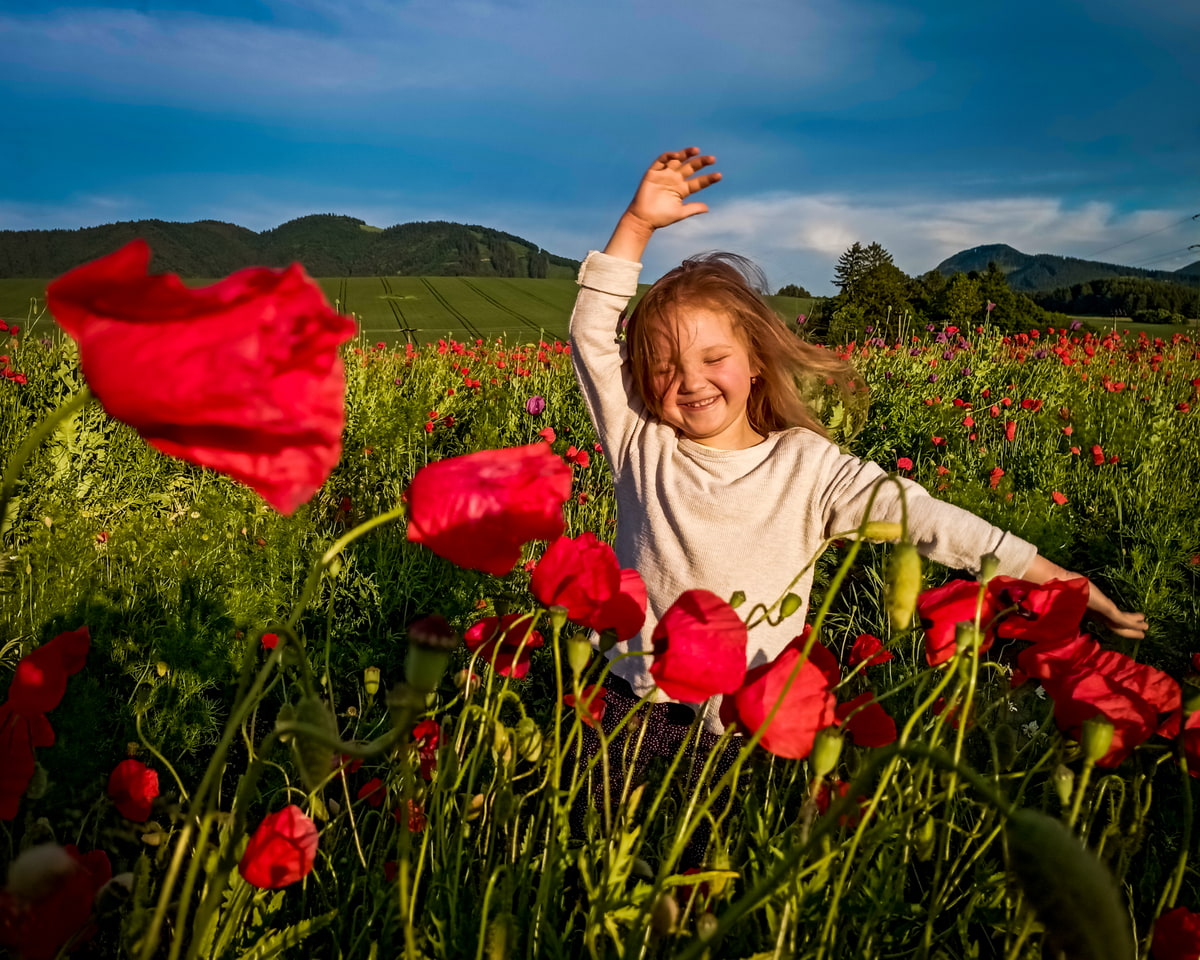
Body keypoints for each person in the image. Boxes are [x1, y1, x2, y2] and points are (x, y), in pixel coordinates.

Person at [566, 146, 1147, 864]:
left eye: (713, 358)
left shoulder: (807, 468)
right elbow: (591, 333)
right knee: (607, 869)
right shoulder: (638, 442)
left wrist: (1067, 585)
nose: (690, 381)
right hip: (635, 706)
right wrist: (636, 225)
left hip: (756, 725)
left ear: (754, 362)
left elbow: (933, 522)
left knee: (725, 884)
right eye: (663, 365)